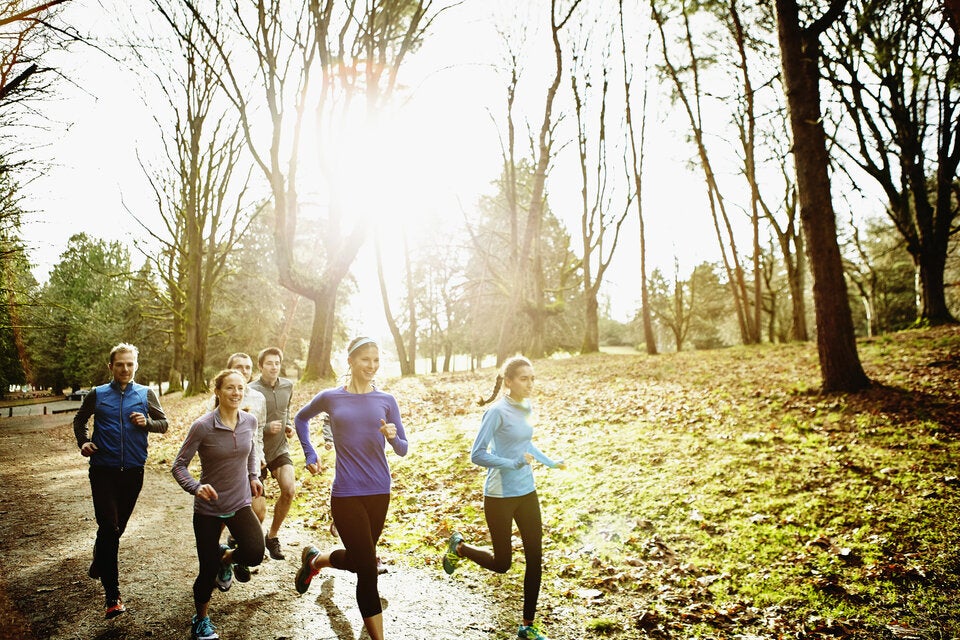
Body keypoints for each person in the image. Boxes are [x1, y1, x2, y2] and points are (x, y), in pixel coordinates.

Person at [292, 337, 409, 640]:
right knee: (368, 572)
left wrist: (394, 436)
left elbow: (403, 449)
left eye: (376, 360)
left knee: (361, 562)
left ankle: (315, 561)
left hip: (379, 491)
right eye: (365, 359)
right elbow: (301, 418)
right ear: (351, 361)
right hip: (345, 493)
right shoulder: (331, 397)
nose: (371, 366)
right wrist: (310, 453)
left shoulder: (386, 400)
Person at [441, 356, 565, 640]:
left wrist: (550, 462)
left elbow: (526, 443)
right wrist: (512, 463)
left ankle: (527, 625)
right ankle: (460, 548)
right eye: (524, 378)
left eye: (532, 378)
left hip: (527, 491)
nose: (530, 384)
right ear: (508, 382)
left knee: (535, 557)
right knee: (502, 563)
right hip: (500, 495)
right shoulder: (496, 412)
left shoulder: (527, 406)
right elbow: (477, 454)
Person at [73, 343, 168, 620]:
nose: (125, 369)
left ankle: (100, 556)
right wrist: (84, 442)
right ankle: (112, 596)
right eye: (119, 364)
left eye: (129, 364)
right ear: (110, 367)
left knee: (115, 529)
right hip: (103, 470)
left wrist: (147, 423)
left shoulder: (145, 394)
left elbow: (164, 424)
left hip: (134, 471)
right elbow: (80, 421)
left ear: (136, 366)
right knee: (110, 526)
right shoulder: (98, 394)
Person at [172, 369, 265, 640]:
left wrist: (253, 476)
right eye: (230, 388)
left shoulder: (249, 421)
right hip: (209, 508)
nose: (236, 393)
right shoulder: (202, 426)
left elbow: (251, 452)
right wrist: (196, 487)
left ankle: (228, 558)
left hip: (239, 502)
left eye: (240, 388)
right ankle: (201, 620)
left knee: (254, 553)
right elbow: (179, 466)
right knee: (206, 571)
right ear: (218, 391)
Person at [248, 346, 295, 560]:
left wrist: (289, 425)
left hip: (279, 449)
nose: (274, 367)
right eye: (269, 363)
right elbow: (245, 423)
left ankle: (272, 536)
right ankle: (245, 543)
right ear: (260, 366)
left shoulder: (288, 385)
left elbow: (286, 411)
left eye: (277, 363)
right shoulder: (251, 390)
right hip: (256, 454)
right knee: (258, 512)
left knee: (289, 490)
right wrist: (266, 429)